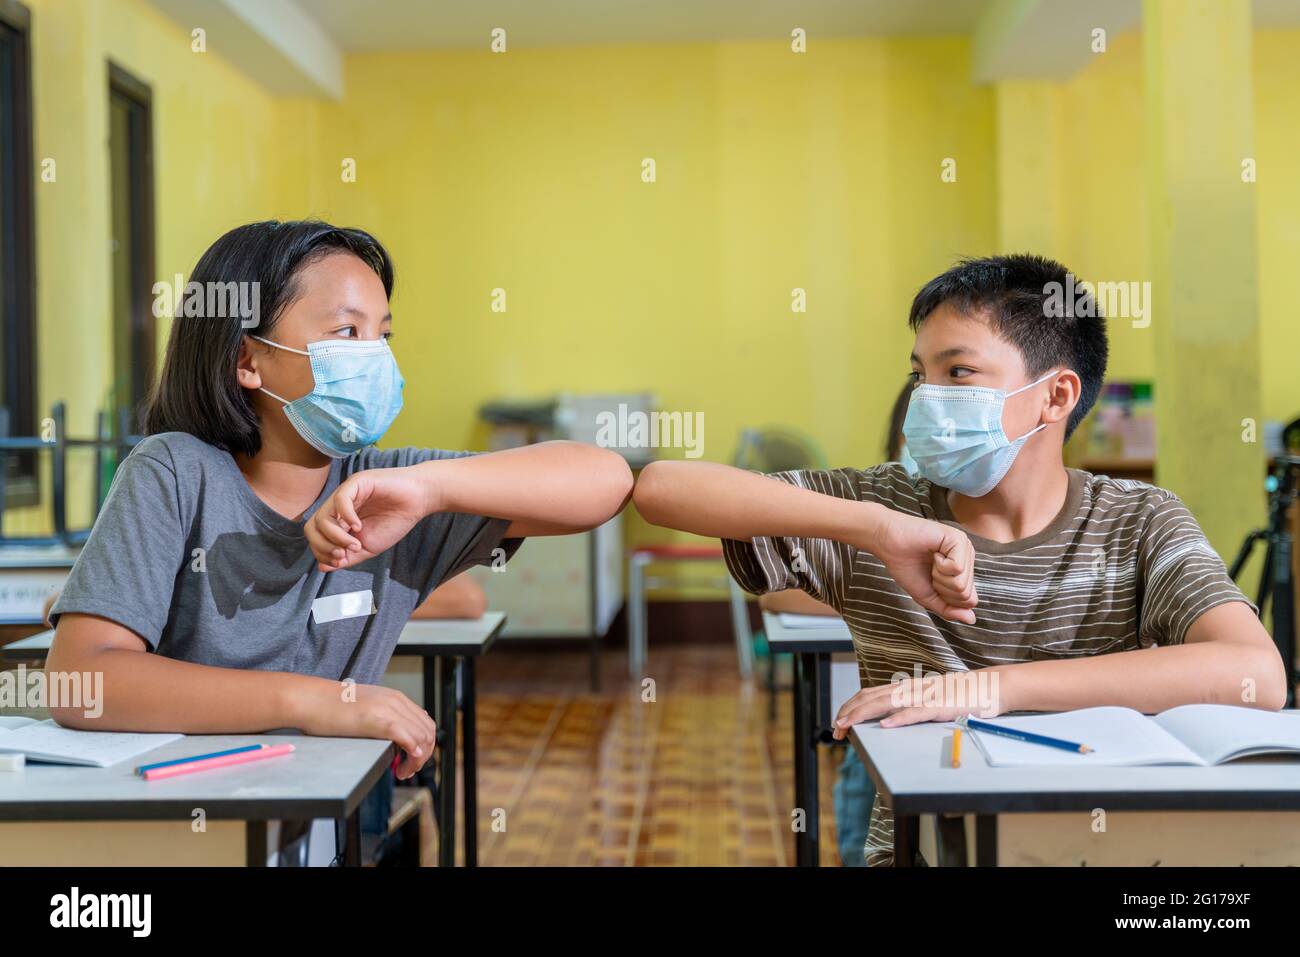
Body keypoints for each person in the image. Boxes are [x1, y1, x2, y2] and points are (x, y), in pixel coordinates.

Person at [634, 253, 1285, 865]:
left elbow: (1256, 672)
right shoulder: (881, 506)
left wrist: (987, 689)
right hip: (925, 848)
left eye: (958, 372)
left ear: (1055, 396)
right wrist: (878, 528)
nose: (926, 396)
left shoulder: (1140, 520)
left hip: (1092, 845)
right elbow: (661, 488)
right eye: (921, 373)